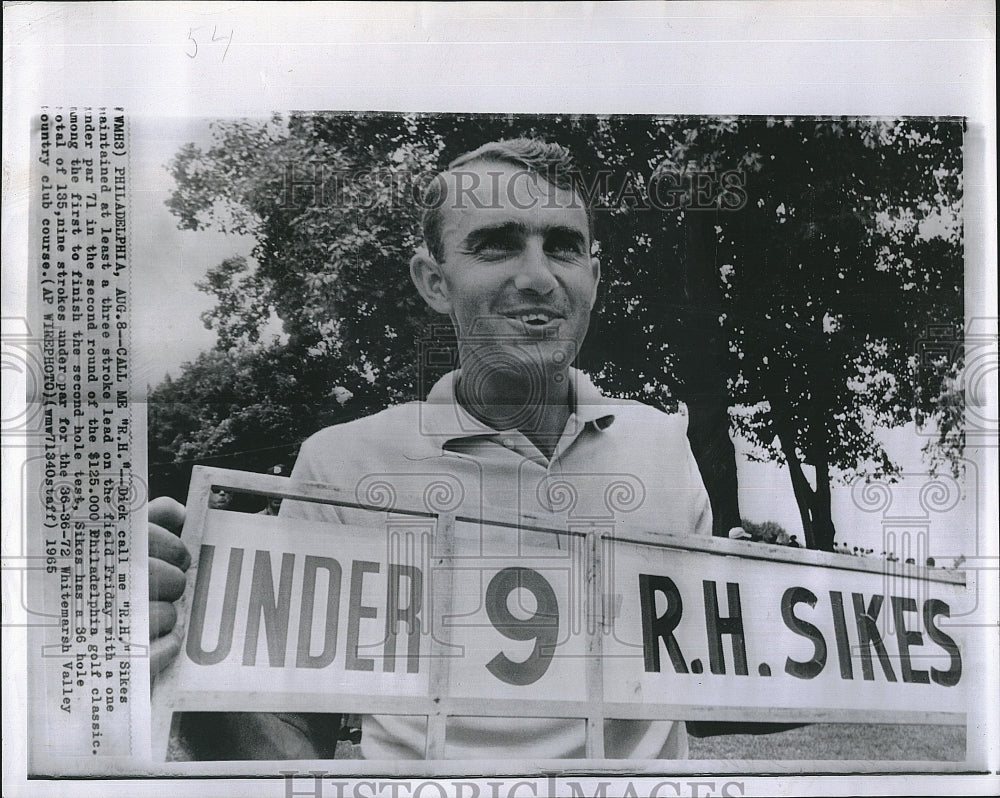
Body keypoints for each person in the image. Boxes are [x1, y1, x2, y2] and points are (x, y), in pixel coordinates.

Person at [148, 138, 713, 760]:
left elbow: (716, 682)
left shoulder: (663, 446)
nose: (537, 276)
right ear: (434, 282)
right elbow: (289, 724)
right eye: (496, 244)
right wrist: (184, 636)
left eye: (563, 246)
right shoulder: (338, 465)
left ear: (593, 278)